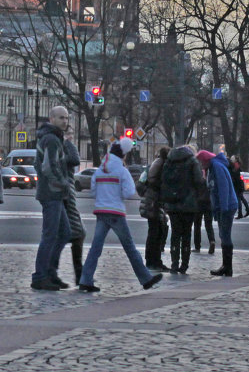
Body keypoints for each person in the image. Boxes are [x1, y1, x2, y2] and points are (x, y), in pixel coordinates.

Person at [78, 138, 163, 293]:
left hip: (101, 212)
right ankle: (146, 278)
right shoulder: (122, 171)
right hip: (116, 212)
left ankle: (85, 279)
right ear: (122, 156)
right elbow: (129, 191)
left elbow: (93, 190)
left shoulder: (99, 170)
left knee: (95, 248)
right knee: (130, 247)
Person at [31, 106, 72, 291]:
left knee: (64, 233)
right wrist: (63, 183)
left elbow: (38, 163)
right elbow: (49, 167)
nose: (65, 121)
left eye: (67, 118)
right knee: (50, 235)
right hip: (52, 193)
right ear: (52, 118)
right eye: (61, 118)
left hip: (53, 192)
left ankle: (50, 272)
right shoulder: (51, 139)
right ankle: (41, 276)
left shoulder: (50, 137)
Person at [160, 144, 205, 274]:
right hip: (188, 204)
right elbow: (198, 181)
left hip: (173, 204)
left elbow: (164, 179)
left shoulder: (170, 160)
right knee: (186, 235)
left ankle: (174, 264)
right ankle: (184, 265)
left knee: (175, 234)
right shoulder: (192, 161)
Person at [197, 149, 238, 276]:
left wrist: (223, 208)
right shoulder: (212, 167)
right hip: (222, 207)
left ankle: (227, 267)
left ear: (205, 160)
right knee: (223, 235)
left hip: (226, 206)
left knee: (225, 235)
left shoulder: (216, 167)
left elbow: (223, 188)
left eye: (201, 162)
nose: (200, 165)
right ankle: (226, 266)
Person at [138, 146, 171, 271]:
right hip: (153, 202)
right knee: (155, 232)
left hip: (152, 202)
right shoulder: (160, 164)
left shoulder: (156, 163)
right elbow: (155, 181)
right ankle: (153, 261)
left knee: (155, 231)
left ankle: (153, 260)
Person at [63, 126, 86, 284]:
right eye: (68, 133)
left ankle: (79, 275)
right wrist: (69, 143)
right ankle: (79, 276)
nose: (71, 136)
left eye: (72, 133)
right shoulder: (61, 147)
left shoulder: (62, 147)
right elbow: (75, 160)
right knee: (78, 234)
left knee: (75, 234)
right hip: (64, 194)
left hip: (67, 193)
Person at [230, 155, 249, 219]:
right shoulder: (238, 166)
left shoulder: (236, 166)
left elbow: (236, 175)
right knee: (241, 198)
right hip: (239, 185)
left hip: (238, 186)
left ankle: (240, 213)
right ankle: (248, 210)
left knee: (239, 199)